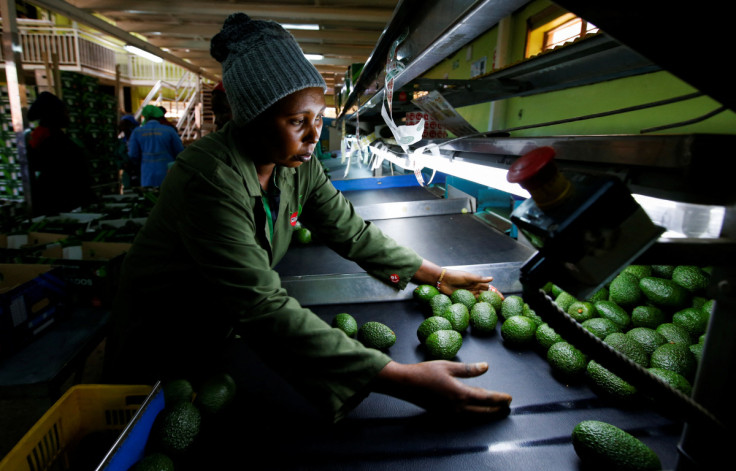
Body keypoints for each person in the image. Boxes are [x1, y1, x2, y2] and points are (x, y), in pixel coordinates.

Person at [103, 13, 511, 425]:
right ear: (251, 119)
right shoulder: (208, 181)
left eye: (318, 117)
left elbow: (351, 232)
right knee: (158, 433)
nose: (314, 136)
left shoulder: (296, 164)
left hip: (217, 326)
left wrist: (438, 276)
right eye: (297, 121)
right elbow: (259, 303)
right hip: (161, 338)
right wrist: (401, 379)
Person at [26, 91, 96, 216]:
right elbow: (70, 173)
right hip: (59, 203)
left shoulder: (41, 136)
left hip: (54, 201)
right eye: (65, 111)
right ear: (54, 114)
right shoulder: (51, 140)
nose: (68, 115)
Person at [126, 104, 184, 187]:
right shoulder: (169, 131)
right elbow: (180, 152)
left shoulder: (137, 132)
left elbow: (133, 155)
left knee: (150, 196)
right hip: (167, 173)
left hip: (147, 174)